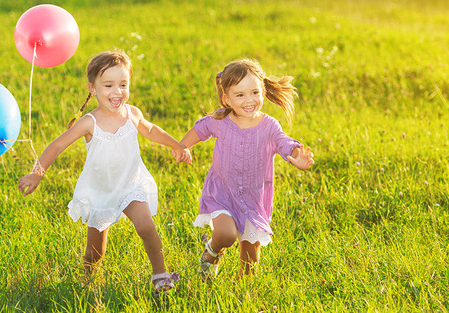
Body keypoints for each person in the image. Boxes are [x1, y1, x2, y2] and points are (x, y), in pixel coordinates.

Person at [18, 49, 191, 296]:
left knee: (146, 226)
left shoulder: (132, 113)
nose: (117, 91)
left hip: (130, 185)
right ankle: (89, 283)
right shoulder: (90, 122)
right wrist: (37, 173)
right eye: (108, 85)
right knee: (94, 251)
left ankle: (160, 275)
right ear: (93, 88)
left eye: (123, 84)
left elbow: (151, 130)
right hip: (100, 191)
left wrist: (177, 145)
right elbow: (57, 145)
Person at [180, 58, 314, 280]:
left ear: (262, 91)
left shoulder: (269, 125)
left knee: (250, 261)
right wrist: (182, 146)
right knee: (226, 235)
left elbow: (283, 142)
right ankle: (211, 253)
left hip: (253, 198)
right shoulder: (221, 120)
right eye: (240, 95)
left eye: (254, 92)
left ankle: (244, 295)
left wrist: (297, 156)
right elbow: (200, 129)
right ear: (227, 99)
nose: (249, 100)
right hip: (222, 193)